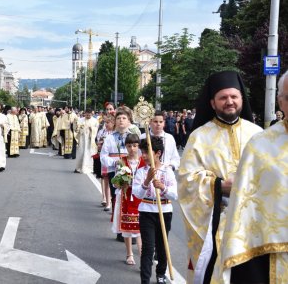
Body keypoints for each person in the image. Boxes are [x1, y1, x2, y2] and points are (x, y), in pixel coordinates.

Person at [178, 71, 263, 283]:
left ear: (242, 99)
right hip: (217, 224)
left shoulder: (258, 134)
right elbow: (186, 181)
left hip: (255, 225)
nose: (229, 102)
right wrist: (219, 186)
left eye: (234, 96)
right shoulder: (199, 137)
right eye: (223, 98)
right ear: (213, 103)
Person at [213, 71, 288, 283]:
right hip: (274, 252)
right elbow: (244, 211)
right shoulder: (261, 145)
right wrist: (216, 185)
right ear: (280, 102)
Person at [132, 137, 178, 284]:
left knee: (162, 245)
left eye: (146, 152)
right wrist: (147, 181)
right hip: (146, 211)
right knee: (148, 247)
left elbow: (175, 194)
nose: (143, 155)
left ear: (158, 153)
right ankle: (145, 280)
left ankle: (160, 274)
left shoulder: (167, 171)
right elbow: (137, 194)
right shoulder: (141, 172)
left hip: (164, 211)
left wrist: (163, 187)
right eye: (142, 152)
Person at [111, 133, 145, 266]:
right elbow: (115, 183)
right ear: (126, 146)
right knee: (127, 226)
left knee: (141, 226)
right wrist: (121, 182)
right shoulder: (121, 161)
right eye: (129, 146)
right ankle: (129, 253)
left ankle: (142, 251)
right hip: (126, 195)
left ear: (139, 146)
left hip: (140, 197)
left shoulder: (143, 161)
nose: (132, 149)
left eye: (135, 146)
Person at [95, 115, 115, 210]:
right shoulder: (102, 132)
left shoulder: (115, 134)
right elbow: (98, 142)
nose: (106, 124)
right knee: (105, 180)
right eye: (105, 122)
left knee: (113, 181)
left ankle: (113, 200)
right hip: (105, 159)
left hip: (113, 159)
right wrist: (99, 145)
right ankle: (107, 202)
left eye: (108, 122)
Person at [74, 108, 98, 173]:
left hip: (90, 139)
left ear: (91, 114)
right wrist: (79, 128)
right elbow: (77, 129)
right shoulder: (81, 120)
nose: (87, 116)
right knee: (81, 152)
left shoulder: (95, 121)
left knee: (89, 153)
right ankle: (78, 168)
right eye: (86, 115)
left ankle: (89, 168)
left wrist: (92, 129)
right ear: (85, 114)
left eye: (89, 115)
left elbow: (96, 129)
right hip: (82, 138)